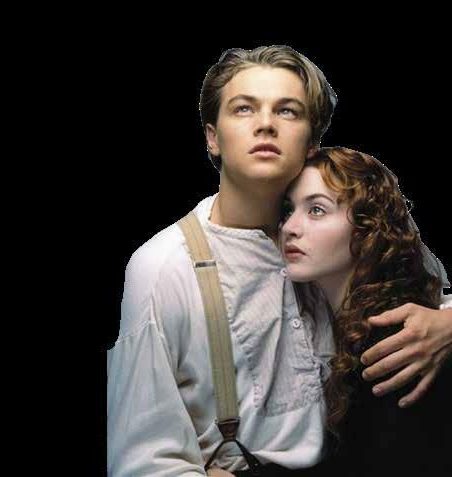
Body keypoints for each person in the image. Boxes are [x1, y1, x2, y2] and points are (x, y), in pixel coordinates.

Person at [107, 46, 451, 476]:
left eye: (287, 110)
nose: (266, 123)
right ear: (213, 137)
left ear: (312, 142)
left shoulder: (340, 235)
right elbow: (143, 462)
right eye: (244, 108)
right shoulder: (163, 267)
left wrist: (449, 325)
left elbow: (420, 289)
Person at [279, 146, 451, 476]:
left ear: (366, 229)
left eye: (316, 210)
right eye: (289, 210)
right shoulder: (349, 323)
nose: (290, 227)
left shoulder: (396, 337)